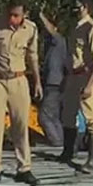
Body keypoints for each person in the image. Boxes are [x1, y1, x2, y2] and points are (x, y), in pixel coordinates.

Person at [0, 0, 42, 186]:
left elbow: (33, 55)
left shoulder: (31, 29)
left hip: (19, 79)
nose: (12, 18)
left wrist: (37, 81)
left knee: (21, 125)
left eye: (16, 15)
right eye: (9, 14)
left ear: (24, 15)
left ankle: (24, 168)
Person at [58, 0, 93, 173]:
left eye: (77, 7)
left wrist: (89, 85)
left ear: (86, 7)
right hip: (73, 75)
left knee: (90, 116)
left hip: (87, 76)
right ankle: (68, 151)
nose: (74, 10)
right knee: (68, 114)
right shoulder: (75, 28)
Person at [36, 8, 67, 147]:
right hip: (51, 84)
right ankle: (61, 142)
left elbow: (51, 30)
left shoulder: (60, 41)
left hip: (55, 84)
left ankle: (56, 141)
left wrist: (41, 15)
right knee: (53, 117)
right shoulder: (50, 47)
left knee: (44, 116)